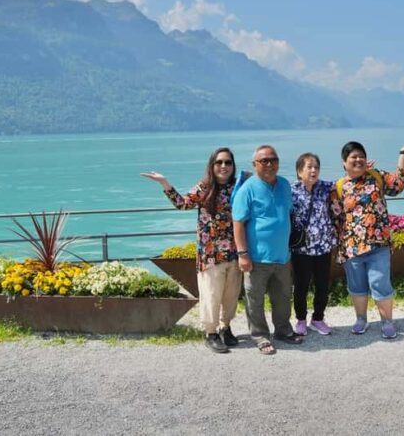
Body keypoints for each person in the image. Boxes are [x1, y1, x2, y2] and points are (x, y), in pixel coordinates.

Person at [140, 147, 241, 354]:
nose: (223, 166)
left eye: (228, 163)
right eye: (219, 162)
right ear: (212, 165)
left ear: (233, 166)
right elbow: (182, 204)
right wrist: (164, 182)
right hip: (210, 254)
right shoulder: (204, 188)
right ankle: (210, 333)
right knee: (211, 295)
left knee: (231, 295)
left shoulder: (238, 187)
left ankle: (225, 328)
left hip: (234, 252)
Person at [333, 140, 404, 339]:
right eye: (353, 157)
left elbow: (398, 184)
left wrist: (403, 154)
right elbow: (335, 217)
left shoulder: (376, 176)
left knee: (380, 283)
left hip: (378, 244)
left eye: (361, 156)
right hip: (351, 248)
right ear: (344, 163)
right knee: (357, 286)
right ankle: (361, 319)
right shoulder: (338, 187)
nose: (358, 160)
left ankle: (387, 322)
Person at [232, 145, 303, 354]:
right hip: (256, 258)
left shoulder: (284, 185)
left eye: (273, 159)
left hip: (282, 255)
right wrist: (243, 254)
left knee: (282, 297)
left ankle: (283, 330)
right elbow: (238, 223)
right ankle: (260, 336)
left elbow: (288, 213)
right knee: (255, 300)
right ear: (255, 164)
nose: (270, 164)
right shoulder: (247, 189)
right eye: (264, 161)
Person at [290, 153, 338, 336]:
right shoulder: (291, 190)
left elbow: (345, 183)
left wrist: (364, 171)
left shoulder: (325, 187)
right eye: (309, 167)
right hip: (301, 249)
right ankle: (301, 320)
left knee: (322, 285)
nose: (313, 170)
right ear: (299, 171)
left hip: (323, 248)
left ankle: (318, 319)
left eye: (316, 167)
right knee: (301, 286)